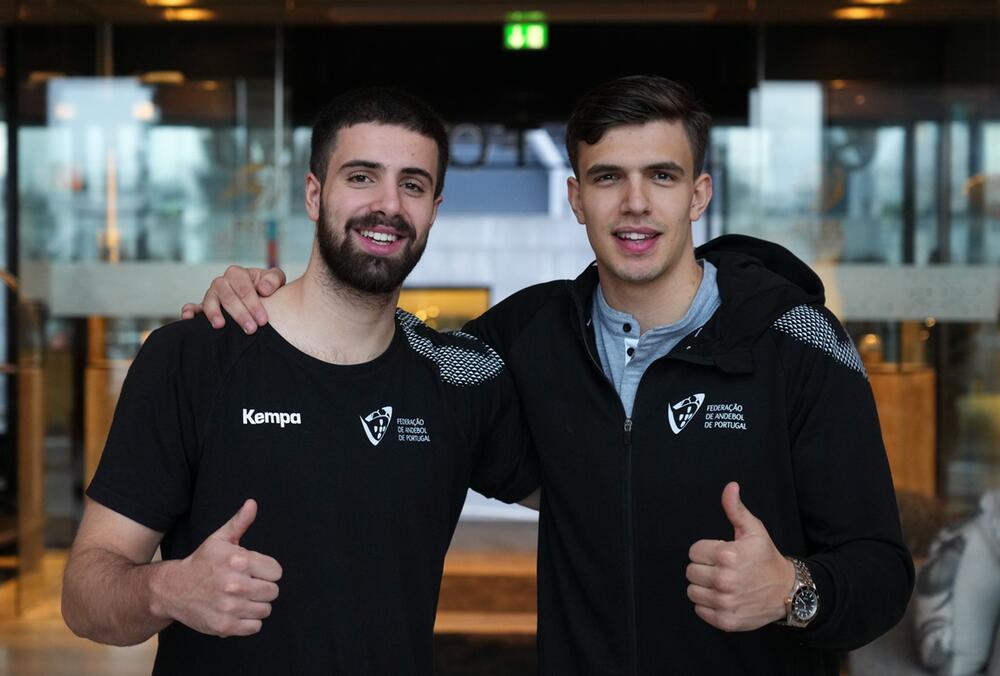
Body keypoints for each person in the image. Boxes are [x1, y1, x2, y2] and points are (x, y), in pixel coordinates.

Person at [190, 75, 914, 675]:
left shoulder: (794, 339)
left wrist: (793, 589)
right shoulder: (527, 337)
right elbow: (390, 351)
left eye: (661, 176)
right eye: (608, 178)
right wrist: (269, 301)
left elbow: (882, 571)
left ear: (698, 195)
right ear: (576, 198)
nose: (635, 204)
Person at [61, 87, 539, 675]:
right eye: (362, 177)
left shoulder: (460, 378)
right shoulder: (193, 358)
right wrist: (167, 588)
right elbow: (85, 596)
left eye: (412, 184)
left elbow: (598, 496)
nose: (388, 205)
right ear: (314, 194)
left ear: (434, 208)